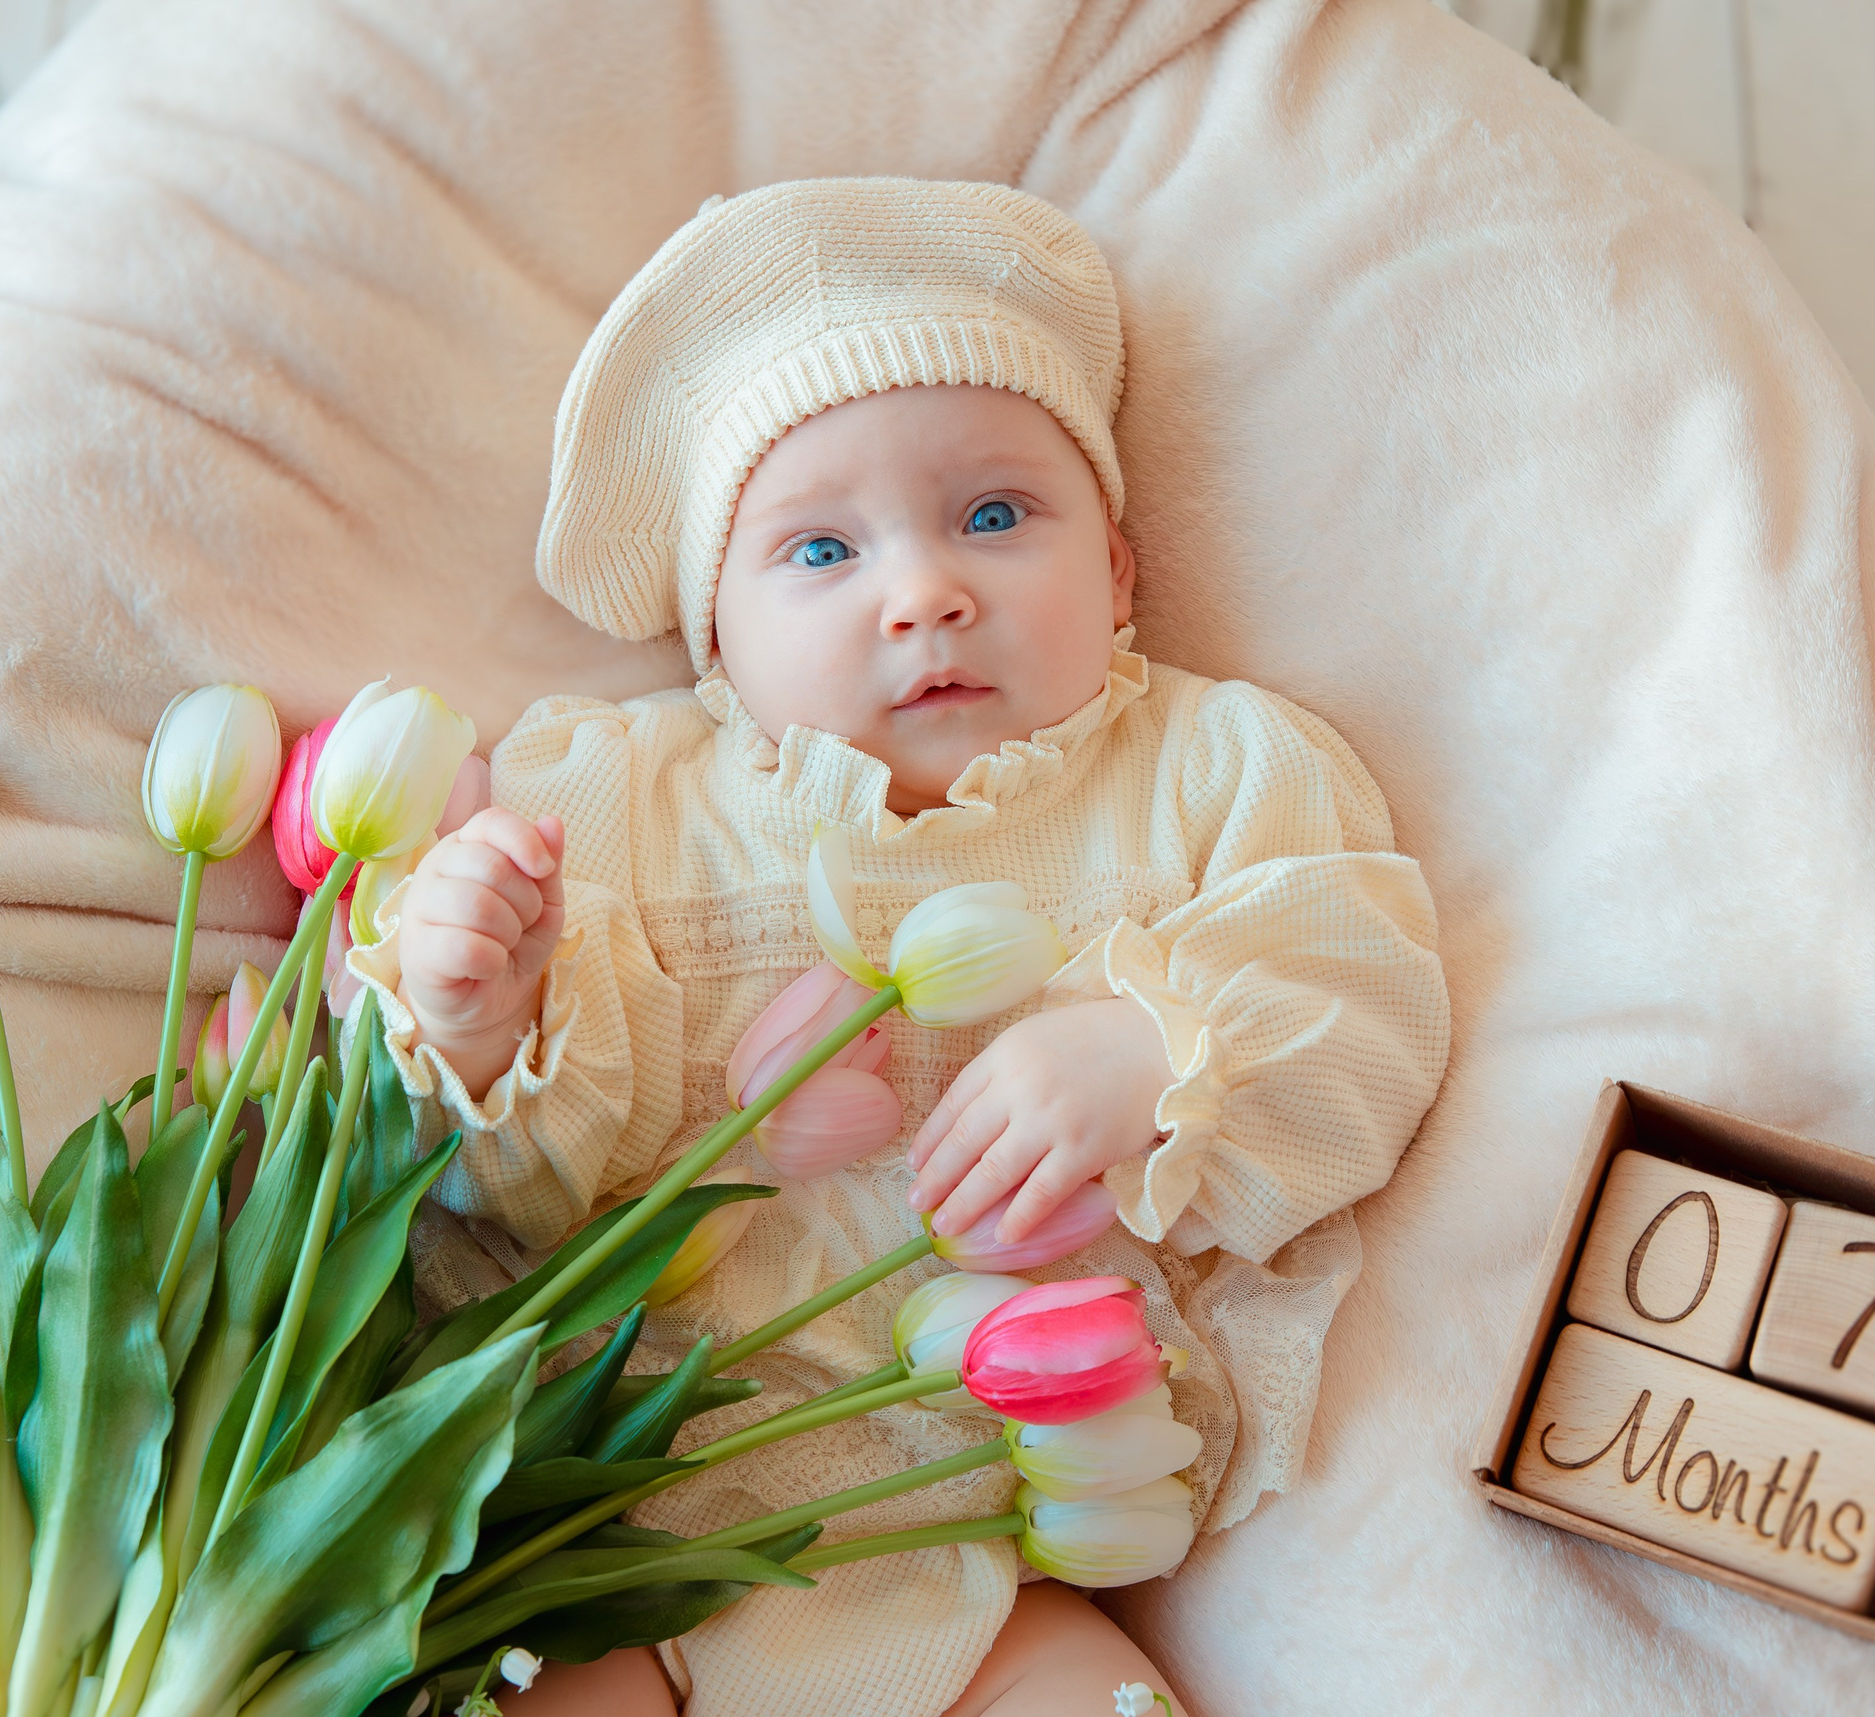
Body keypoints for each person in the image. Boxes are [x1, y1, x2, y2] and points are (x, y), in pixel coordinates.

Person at [352, 178, 1452, 1717]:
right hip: (642, 1514)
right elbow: (505, 1193)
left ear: (1121, 571)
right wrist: (478, 1012)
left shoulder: (1215, 768)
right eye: (819, 552)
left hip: (1002, 1529)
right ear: (715, 636)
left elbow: (1372, 993)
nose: (926, 591)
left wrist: (1152, 1051)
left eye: (995, 517)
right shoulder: (618, 802)